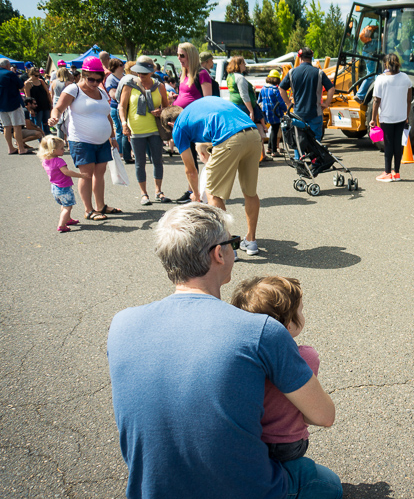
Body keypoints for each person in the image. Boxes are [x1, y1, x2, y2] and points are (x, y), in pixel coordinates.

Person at [107, 203, 341, 498]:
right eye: (233, 243)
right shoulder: (261, 331)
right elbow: (323, 416)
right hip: (246, 490)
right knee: (326, 484)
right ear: (220, 254)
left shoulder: (121, 325)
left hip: (153, 490)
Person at [231, 276, 323, 463]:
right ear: (289, 324)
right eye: (301, 311)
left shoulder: (238, 357)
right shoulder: (305, 357)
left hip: (246, 440)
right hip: (287, 444)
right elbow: (314, 414)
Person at [160, 96, 262, 260]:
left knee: (213, 194)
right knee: (250, 192)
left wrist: (196, 195)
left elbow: (191, 170)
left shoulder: (178, 127)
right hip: (253, 133)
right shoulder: (197, 109)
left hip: (229, 137)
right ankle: (251, 241)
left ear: (171, 124)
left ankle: (228, 247)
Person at [48, 55, 121, 221]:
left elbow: (107, 116)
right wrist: (54, 117)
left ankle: (100, 205)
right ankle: (89, 210)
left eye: (98, 79)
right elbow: (58, 108)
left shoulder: (101, 92)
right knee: (86, 175)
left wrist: (112, 136)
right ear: (83, 74)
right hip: (81, 140)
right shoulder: (73, 90)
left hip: (102, 141)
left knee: (100, 174)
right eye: (91, 79)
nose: (95, 83)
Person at [119, 56, 171, 206]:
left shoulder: (159, 86)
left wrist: (160, 111)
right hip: (136, 129)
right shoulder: (129, 85)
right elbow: (122, 106)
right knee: (140, 162)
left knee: (157, 160)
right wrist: (124, 124)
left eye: (144, 73)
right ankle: (144, 193)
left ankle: (158, 191)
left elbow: (166, 107)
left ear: (151, 72)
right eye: (139, 72)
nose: (141, 75)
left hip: (155, 128)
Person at [173, 43, 214, 202]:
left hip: (197, 123)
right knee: (189, 160)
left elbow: (208, 100)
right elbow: (183, 95)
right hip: (183, 123)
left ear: (191, 55)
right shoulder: (183, 74)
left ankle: (201, 191)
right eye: (178, 55)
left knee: (205, 157)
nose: (179, 58)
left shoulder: (201, 73)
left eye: (182, 55)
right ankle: (193, 191)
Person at [369, 53, 411, 182]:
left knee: (388, 145)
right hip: (401, 116)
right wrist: (407, 116)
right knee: (397, 144)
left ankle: (387, 173)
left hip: (386, 117)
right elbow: (409, 100)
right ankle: (396, 173)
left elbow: (376, 101)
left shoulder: (381, 79)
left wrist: (373, 119)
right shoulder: (405, 78)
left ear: (386, 64)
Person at [279, 47, 334, 141]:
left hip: (298, 114)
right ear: (311, 57)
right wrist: (326, 103)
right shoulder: (319, 73)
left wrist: (288, 103)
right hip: (315, 114)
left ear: (299, 58)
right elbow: (331, 88)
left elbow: (281, 88)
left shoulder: (292, 72)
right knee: (316, 144)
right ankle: (316, 156)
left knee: (299, 142)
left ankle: (299, 156)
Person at [38, 135, 89, 232]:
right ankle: (61, 225)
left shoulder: (45, 161)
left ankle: (68, 219)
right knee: (67, 207)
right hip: (63, 187)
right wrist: (81, 175)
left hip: (54, 187)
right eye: (61, 148)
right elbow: (66, 172)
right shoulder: (59, 161)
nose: (63, 150)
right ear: (53, 150)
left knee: (64, 204)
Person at [226, 56, 268, 142]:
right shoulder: (240, 78)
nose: (245, 64)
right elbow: (244, 95)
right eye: (243, 63)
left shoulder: (230, 76)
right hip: (243, 107)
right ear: (238, 65)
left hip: (234, 105)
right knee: (248, 131)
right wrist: (251, 111)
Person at [0, 58, 32, 155]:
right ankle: (21, 148)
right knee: (17, 126)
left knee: (6, 127)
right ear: (7, 65)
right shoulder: (10, 74)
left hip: (1, 105)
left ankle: (10, 148)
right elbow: (21, 86)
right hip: (13, 103)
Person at [105, 58, 133, 164]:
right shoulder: (110, 79)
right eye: (121, 65)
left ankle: (124, 152)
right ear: (115, 67)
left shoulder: (124, 77)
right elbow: (113, 95)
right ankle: (120, 153)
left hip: (126, 107)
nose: (123, 66)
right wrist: (126, 96)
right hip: (116, 107)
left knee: (123, 131)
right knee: (121, 131)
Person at [259, 69, 287, 157]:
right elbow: (281, 101)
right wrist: (285, 109)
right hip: (275, 113)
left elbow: (259, 100)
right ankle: (274, 151)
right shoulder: (275, 89)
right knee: (275, 130)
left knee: (272, 130)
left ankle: (269, 148)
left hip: (266, 113)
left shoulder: (263, 89)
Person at [355, 23, 379, 104]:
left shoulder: (371, 29)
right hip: (369, 53)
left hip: (368, 52)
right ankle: (360, 95)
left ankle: (361, 95)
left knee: (373, 73)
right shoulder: (374, 30)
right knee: (372, 74)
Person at [23, 67, 52, 133]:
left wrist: (51, 103)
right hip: (36, 107)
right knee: (38, 125)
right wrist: (30, 109)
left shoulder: (41, 81)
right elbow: (28, 97)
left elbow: (47, 93)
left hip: (45, 105)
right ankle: (40, 140)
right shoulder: (28, 83)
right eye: (36, 75)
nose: (37, 77)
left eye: (38, 75)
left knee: (46, 124)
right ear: (31, 74)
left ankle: (47, 138)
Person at [50, 67, 74, 140]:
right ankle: (68, 140)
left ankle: (59, 140)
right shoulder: (68, 83)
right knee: (67, 123)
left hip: (56, 102)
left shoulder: (53, 82)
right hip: (66, 103)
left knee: (58, 124)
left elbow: (52, 94)